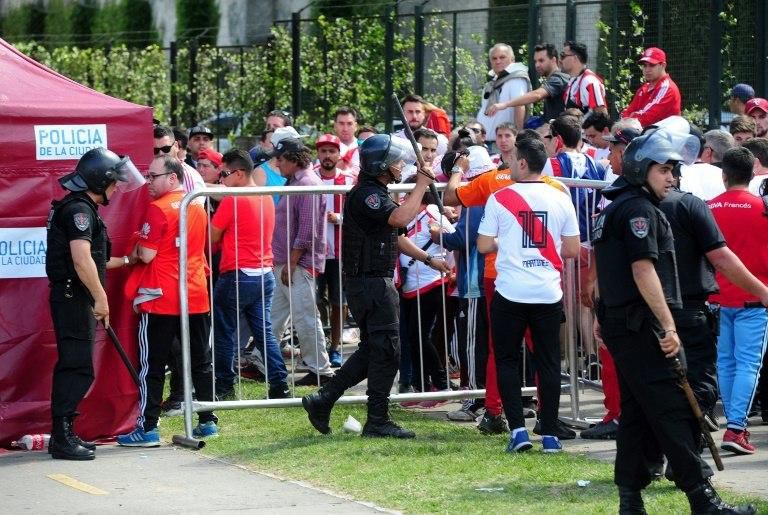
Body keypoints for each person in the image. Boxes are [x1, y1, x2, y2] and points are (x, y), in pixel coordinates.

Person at [592, 128, 755, 514]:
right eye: (663, 169)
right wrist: (668, 326)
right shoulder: (639, 210)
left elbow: (603, 273)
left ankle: (630, 499)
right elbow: (643, 270)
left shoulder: (617, 205)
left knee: (636, 414)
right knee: (672, 411)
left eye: (673, 170)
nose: (671, 177)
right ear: (641, 168)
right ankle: (703, 499)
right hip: (643, 327)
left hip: (624, 324)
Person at [301, 134, 449, 439]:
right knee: (388, 351)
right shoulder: (368, 195)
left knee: (376, 349)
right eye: (395, 161)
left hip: (373, 282)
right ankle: (377, 418)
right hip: (369, 284)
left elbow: (396, 233)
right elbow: (397, 218)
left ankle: (324, 399)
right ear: (381, 164)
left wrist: (427, 259)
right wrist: (421, 185)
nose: (399, 166)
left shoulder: (377, 192)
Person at [477, 137, 580, 454]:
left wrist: (506, 244)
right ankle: (550, 434)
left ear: (523, 163)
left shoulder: (500, 197)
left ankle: (518, 432)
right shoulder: (561, 196)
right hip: (547, 292)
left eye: (511, 160)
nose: (507, 165)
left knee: (507, 360)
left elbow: (483, 245)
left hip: (510, 291)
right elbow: (573, 249)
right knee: (548, 362)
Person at [46, 148, 143, 460]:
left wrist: (129, 260)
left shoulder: (82, 208)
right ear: (100, 181)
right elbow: (80, 259)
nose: (116, 188)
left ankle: (65, 434)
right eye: (114, 182)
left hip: (76, 296)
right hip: (75, 298)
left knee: (78, 366)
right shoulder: (80, 211)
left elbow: (95, 261)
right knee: (76, 367)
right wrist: (102, 298)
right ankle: (62, 438)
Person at [118, 155, 219, 446]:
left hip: (160, 298)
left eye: (153, 176)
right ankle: (208, 421)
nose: (147, 181)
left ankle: (147, 428)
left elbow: (146, 255)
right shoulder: (197, 204)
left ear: (172, 178)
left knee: (153, 364)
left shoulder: (158, 209)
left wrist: (135, 246)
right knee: (201, 361)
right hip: (196, 295)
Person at [210, 150, 290, 400]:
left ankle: (224, 386)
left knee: (225, 332)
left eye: (224, 174)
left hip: (237, 273)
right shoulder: (265, 196)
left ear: (239, 173)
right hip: (263, 274)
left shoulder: (234, 199)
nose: (221, 179)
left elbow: (211, 237)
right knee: (263, 332)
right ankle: (279, 384)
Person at [708, 147, 768, 455]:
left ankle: (734, 425)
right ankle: (735, 428)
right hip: (756, 299)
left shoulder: (709, 208)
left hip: (719, 299)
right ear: (753, 172)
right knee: (748, 365)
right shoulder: (762, 207)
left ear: (724, 175)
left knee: (727, 363)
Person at [269, 137, 334, 386]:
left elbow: (307, 230)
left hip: (297, 263)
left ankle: (322, 370)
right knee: (274, 316)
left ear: (294, 160)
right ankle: (261, 358)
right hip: (288, 262)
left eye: (281, 159)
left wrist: (292, 262)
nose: (278, 164)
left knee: (305, 317)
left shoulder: (307, 183)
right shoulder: (297, 180)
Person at [314, 134, 355, 367]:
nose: (327, 155)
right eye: (323, 151)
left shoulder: (348, 181)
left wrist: (340, 218)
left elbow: (359, 214)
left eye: (332, 151)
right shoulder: (310, 179)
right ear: (317, 154)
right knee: (315, 300)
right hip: (315, 252)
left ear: (339, 154)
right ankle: (320, 343)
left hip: (340, 252)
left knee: (340, 301)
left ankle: (336, 346)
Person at [486, 43, 569, 123]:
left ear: (553, 60)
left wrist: (505, 104)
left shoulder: (558, 78)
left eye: (541, 60)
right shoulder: (553, 79)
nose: (537, 65)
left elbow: (537, 95)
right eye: (535, 61)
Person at [477, 43, 531, 141]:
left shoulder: (515, 79)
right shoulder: (491, 83)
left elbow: (520, 106)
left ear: (512, 60)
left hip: (503, 144)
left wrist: (518, 138)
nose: (498, 61)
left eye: (502, 57)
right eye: (494, 58)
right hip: (486, 142)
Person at [621, 47, 681, 127]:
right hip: (647, 135)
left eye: (652, 65)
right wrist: (629, 118)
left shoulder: (667, 87)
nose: (647, 70)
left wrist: (630, 118)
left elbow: (647, 117)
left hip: (664, 137)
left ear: (663, 65)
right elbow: (626, 114)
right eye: (645, 66)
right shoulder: (643, 89)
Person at [560, 41, 607, 114]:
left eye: (563, 56)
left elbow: (602, 115)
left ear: (575, 58)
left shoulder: (589, 81)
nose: (560, 60)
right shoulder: (573, 80)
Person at [333, 106, 361, 175]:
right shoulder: (326, 148)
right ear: (335, 126)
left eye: (349, 124)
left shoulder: (364, 147)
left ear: (356, 126)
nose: (345, 129)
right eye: (341, 123)